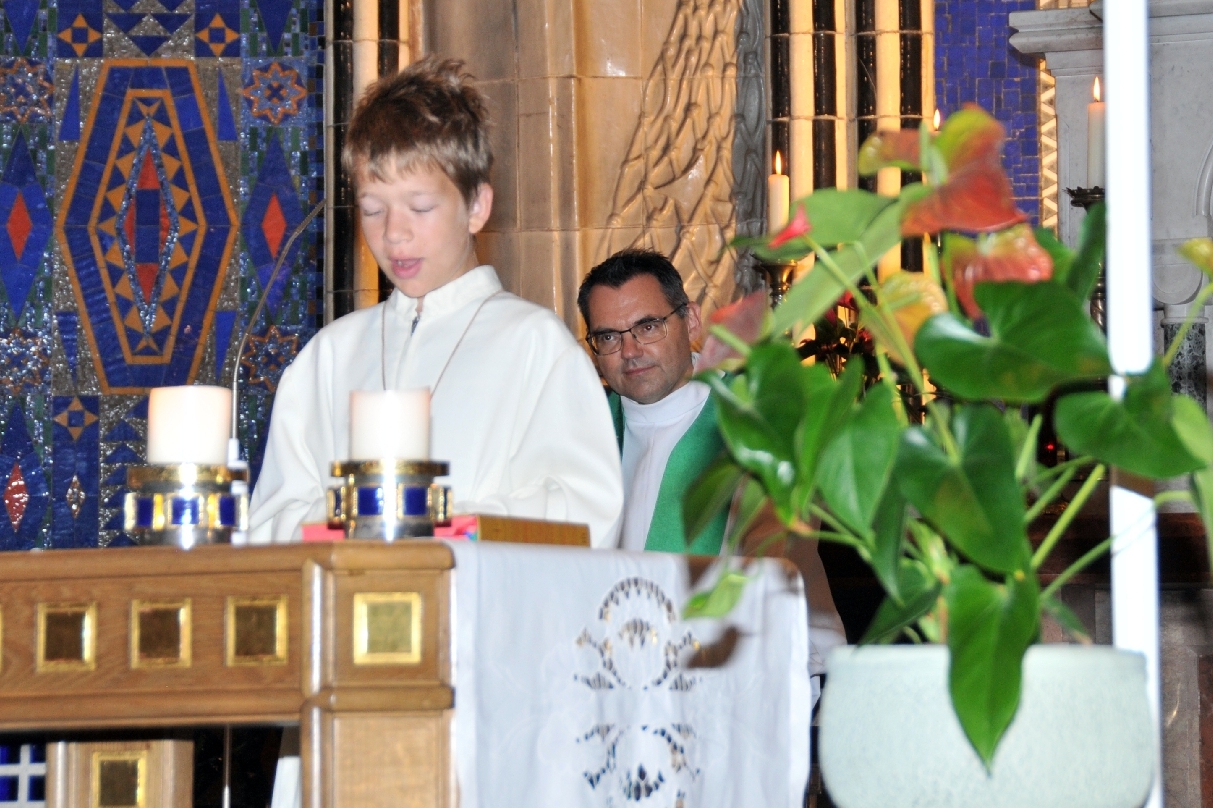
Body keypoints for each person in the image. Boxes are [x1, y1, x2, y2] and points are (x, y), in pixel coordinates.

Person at [248, 58, 624, 544]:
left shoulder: (535, 345)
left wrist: (433, 525)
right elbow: (269, 526)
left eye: (420, 207)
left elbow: (586, 515)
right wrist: (364, 520)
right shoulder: (329, 356)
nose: (394, 233)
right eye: (372, 209)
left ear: (476, 206)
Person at [579, 250, 846, 675]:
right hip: (623, 671)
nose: (630, 351)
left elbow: (774, 555)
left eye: (648, 327)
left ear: (690, 321)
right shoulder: (586, 433)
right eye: (609, 336)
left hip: (762, 666)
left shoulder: (756, 417)